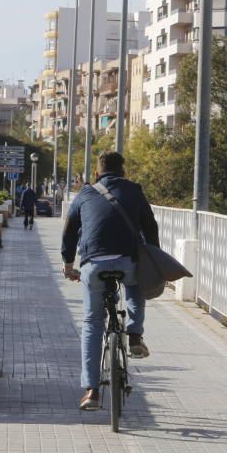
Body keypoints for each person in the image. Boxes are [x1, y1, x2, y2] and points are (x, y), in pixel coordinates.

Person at [61, 151, 159, 410]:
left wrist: (68, 263)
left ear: (97, 172)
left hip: (93, 264)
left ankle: (91, 390)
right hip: (128, 261)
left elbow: (70, 228)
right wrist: (153, 256)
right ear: (123, 172)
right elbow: (150, 226)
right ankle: (135, 334)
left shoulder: (85, 193)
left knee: (93, 322)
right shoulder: (134, 191)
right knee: (135, 285)